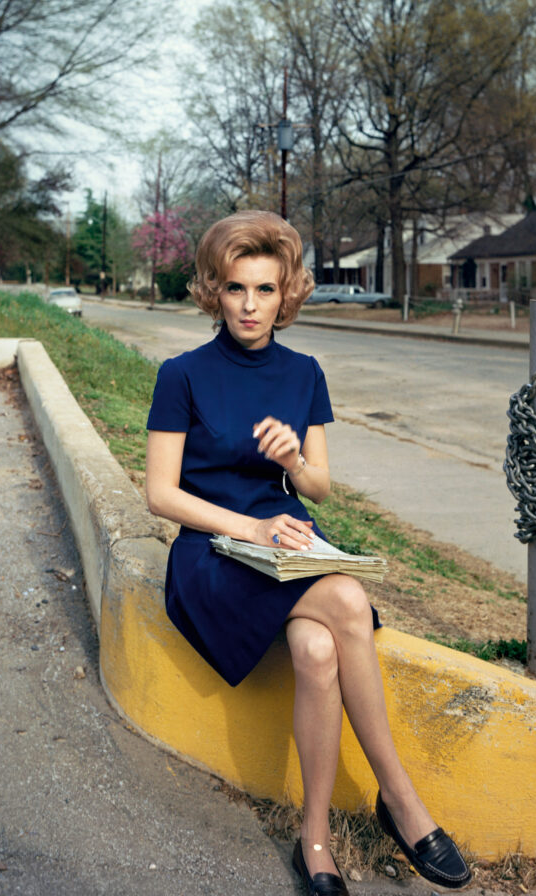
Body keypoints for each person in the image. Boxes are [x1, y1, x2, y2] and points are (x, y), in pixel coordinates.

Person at [145, 211, 471, 896]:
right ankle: (401, 800)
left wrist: (292, 459)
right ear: (214, 290)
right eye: (235, 288)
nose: (250, 305)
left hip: (288, 541)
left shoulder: (304, 374)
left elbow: (317, 487)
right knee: (348, 599)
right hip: (212, 551)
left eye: (265, 290)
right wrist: (247, 528)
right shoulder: (181, 375)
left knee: (318, 652)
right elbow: (159, 494)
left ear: (286, 294)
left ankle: (313, 839)